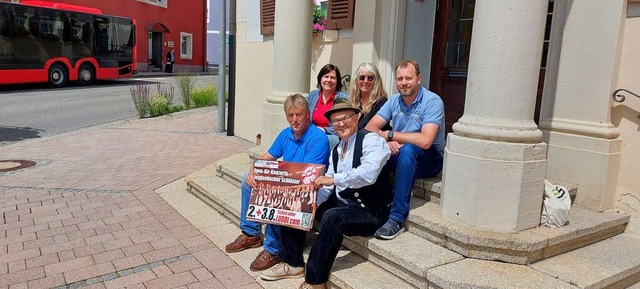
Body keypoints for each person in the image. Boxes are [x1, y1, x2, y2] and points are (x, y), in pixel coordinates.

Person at [261, 101, 392, 289]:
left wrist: (334, 179)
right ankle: (292, 263)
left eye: (345, 118)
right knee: (296, 202)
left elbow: (368, 174)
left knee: (332, 217)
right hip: (345, 205)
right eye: (335, 121)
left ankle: (315, 280)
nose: (340, 124)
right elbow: (327, 187)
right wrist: (310, 202)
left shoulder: (372, 141)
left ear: (356, 118)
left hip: (371, 212)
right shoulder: (338, 150)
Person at [225, 94, 330, 272]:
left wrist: (275, 182)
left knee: (276, 193)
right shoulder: (286, 133)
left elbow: (306, 176)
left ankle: (273, 250)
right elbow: (266, 157)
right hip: (289, 181)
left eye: (298, 114)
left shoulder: (318, 139)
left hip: (310, 188)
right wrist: (254, 171)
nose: (294, 120)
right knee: (246, 179)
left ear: (308, 114)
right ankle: (251, 233)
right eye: (290, 115)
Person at [365, 60, 446, 240]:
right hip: (401, 151)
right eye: (400, 78)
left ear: (419, 79)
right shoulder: (394, 100)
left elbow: (425, 140)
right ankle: (376, 206)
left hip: (430, 159)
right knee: (377, 149)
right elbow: (370, 128)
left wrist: (391, 135)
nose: (404, 82)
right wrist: (387, 143)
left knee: (408, 150)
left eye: (408, 78)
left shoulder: (432, 101)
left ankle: (396, 218)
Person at [307, 64, 348, 148]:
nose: (328, 80)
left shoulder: (342, 98)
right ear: (320, 79)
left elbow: (344, 124)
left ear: (337, 81)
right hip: (312, 134)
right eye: (326, 76)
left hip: (332, 137)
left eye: (332, 78)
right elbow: (305, 117)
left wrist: (324, 130)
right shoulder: (313, 95)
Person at [347, 63, 391, 131]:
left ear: (376, 81)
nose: (365, 81)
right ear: (356, 80)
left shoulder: (381, 102)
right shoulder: (353, 101)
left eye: (370, 78)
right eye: (362, 78)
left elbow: (370, 129)